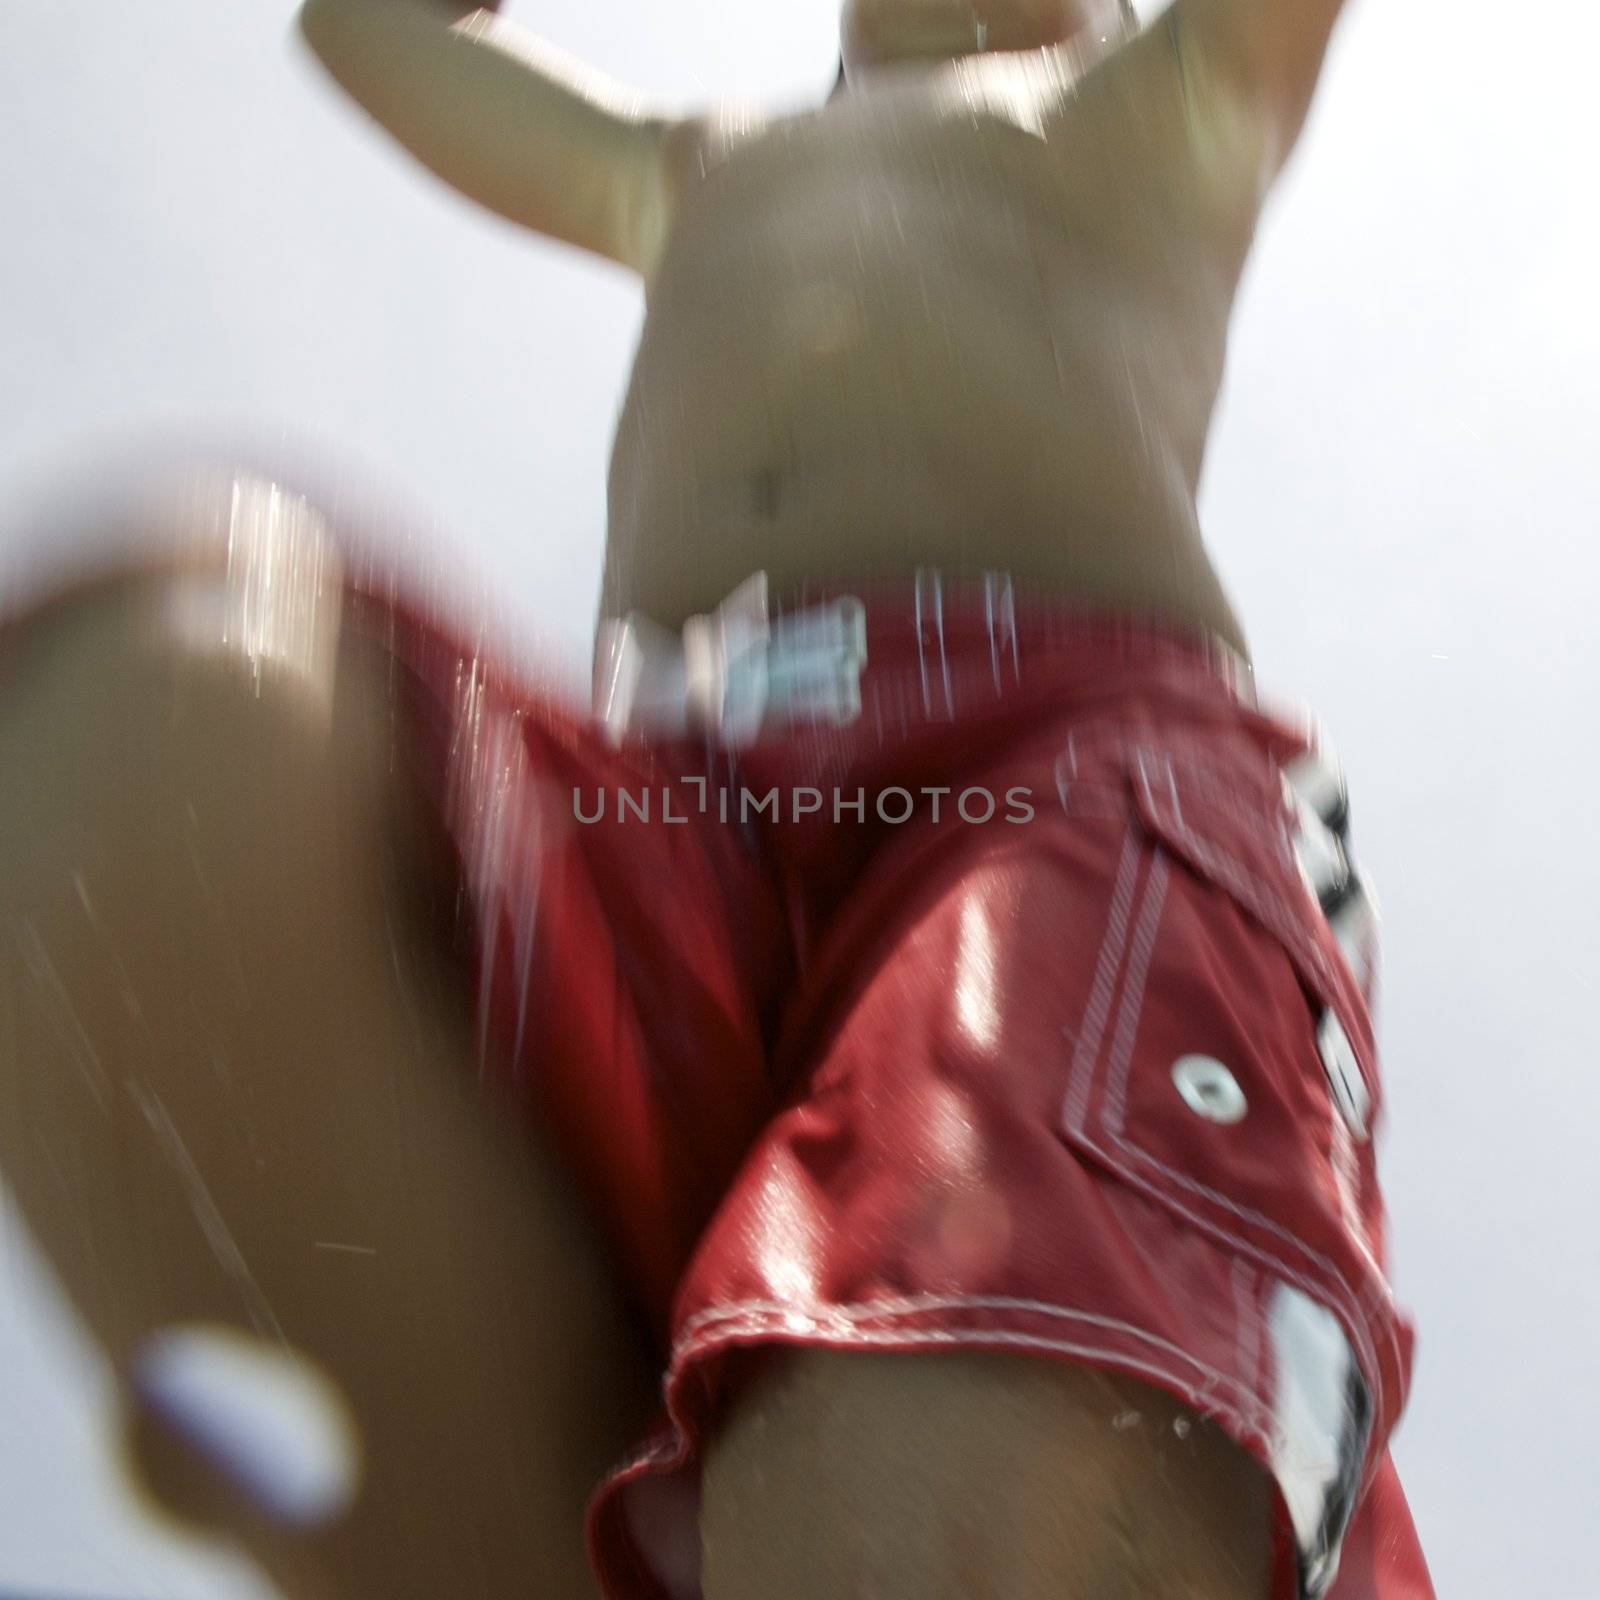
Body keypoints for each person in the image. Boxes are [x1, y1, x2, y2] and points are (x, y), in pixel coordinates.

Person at [0, 0, 1435, 1595]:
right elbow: (365, 34)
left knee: (936, 1387)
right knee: (164, 722)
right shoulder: (689, 162)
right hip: (666, 802)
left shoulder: (1161, 92)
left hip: (1047, 771)